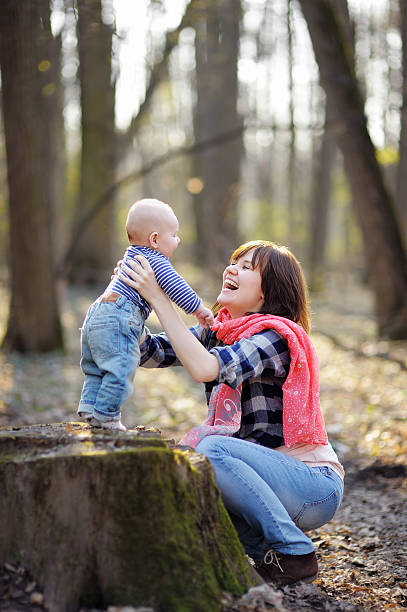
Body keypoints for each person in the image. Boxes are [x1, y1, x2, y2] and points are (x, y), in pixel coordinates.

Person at [118, 239, 344, 587]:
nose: (231, 269)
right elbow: (154, 352)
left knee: (208, 448)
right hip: (267, 481)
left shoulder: (275, 337)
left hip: (311, 487)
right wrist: (119, 310)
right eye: (233, 262)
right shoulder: (220, 333)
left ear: (269, 292)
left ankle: (295, 551)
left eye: (247, 267)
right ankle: (269, 554)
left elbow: (207, 368)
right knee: (195, 479)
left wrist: (160, 298)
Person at [77, 198, 214, 431]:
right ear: (154, 239)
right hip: (119, 316)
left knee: (95, 367)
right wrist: (198, 308)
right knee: (121, 366)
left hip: (96, 312)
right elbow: (177, 287)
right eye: (174, 235)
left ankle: (89, 406)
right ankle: (107, 415)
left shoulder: (131, 255)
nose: (178, 240)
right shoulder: (156, 260)